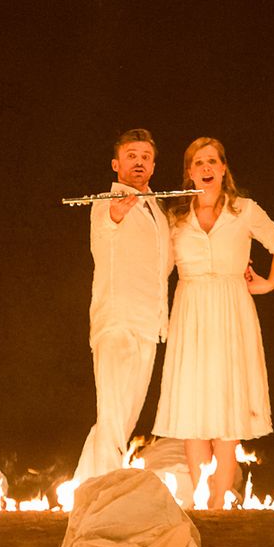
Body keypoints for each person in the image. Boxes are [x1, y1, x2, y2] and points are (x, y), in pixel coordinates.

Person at [153, 137, 274, 507]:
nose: (205, 168)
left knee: (228, 412)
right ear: (188, 171)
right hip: (191, 310)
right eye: (198, 162)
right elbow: (158, 268)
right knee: (193, 410)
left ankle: (220, 508)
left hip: (232, 310)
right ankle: (202, 505)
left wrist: (268, 284)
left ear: (223, 167)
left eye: (212, 161)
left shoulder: (244, 210)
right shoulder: (176, 217)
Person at [72, 129, 173, 483]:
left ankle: (88, 489)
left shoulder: (159, 212)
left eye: (145, 156)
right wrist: (114, 216)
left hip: (150, 324)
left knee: (121, 419)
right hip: (117, 321)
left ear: (154, 165)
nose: (139, 162)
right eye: (131, 155)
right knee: (114, 416)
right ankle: (105, 497)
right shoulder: (105, 202)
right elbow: (104, 233)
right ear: (116, 164)